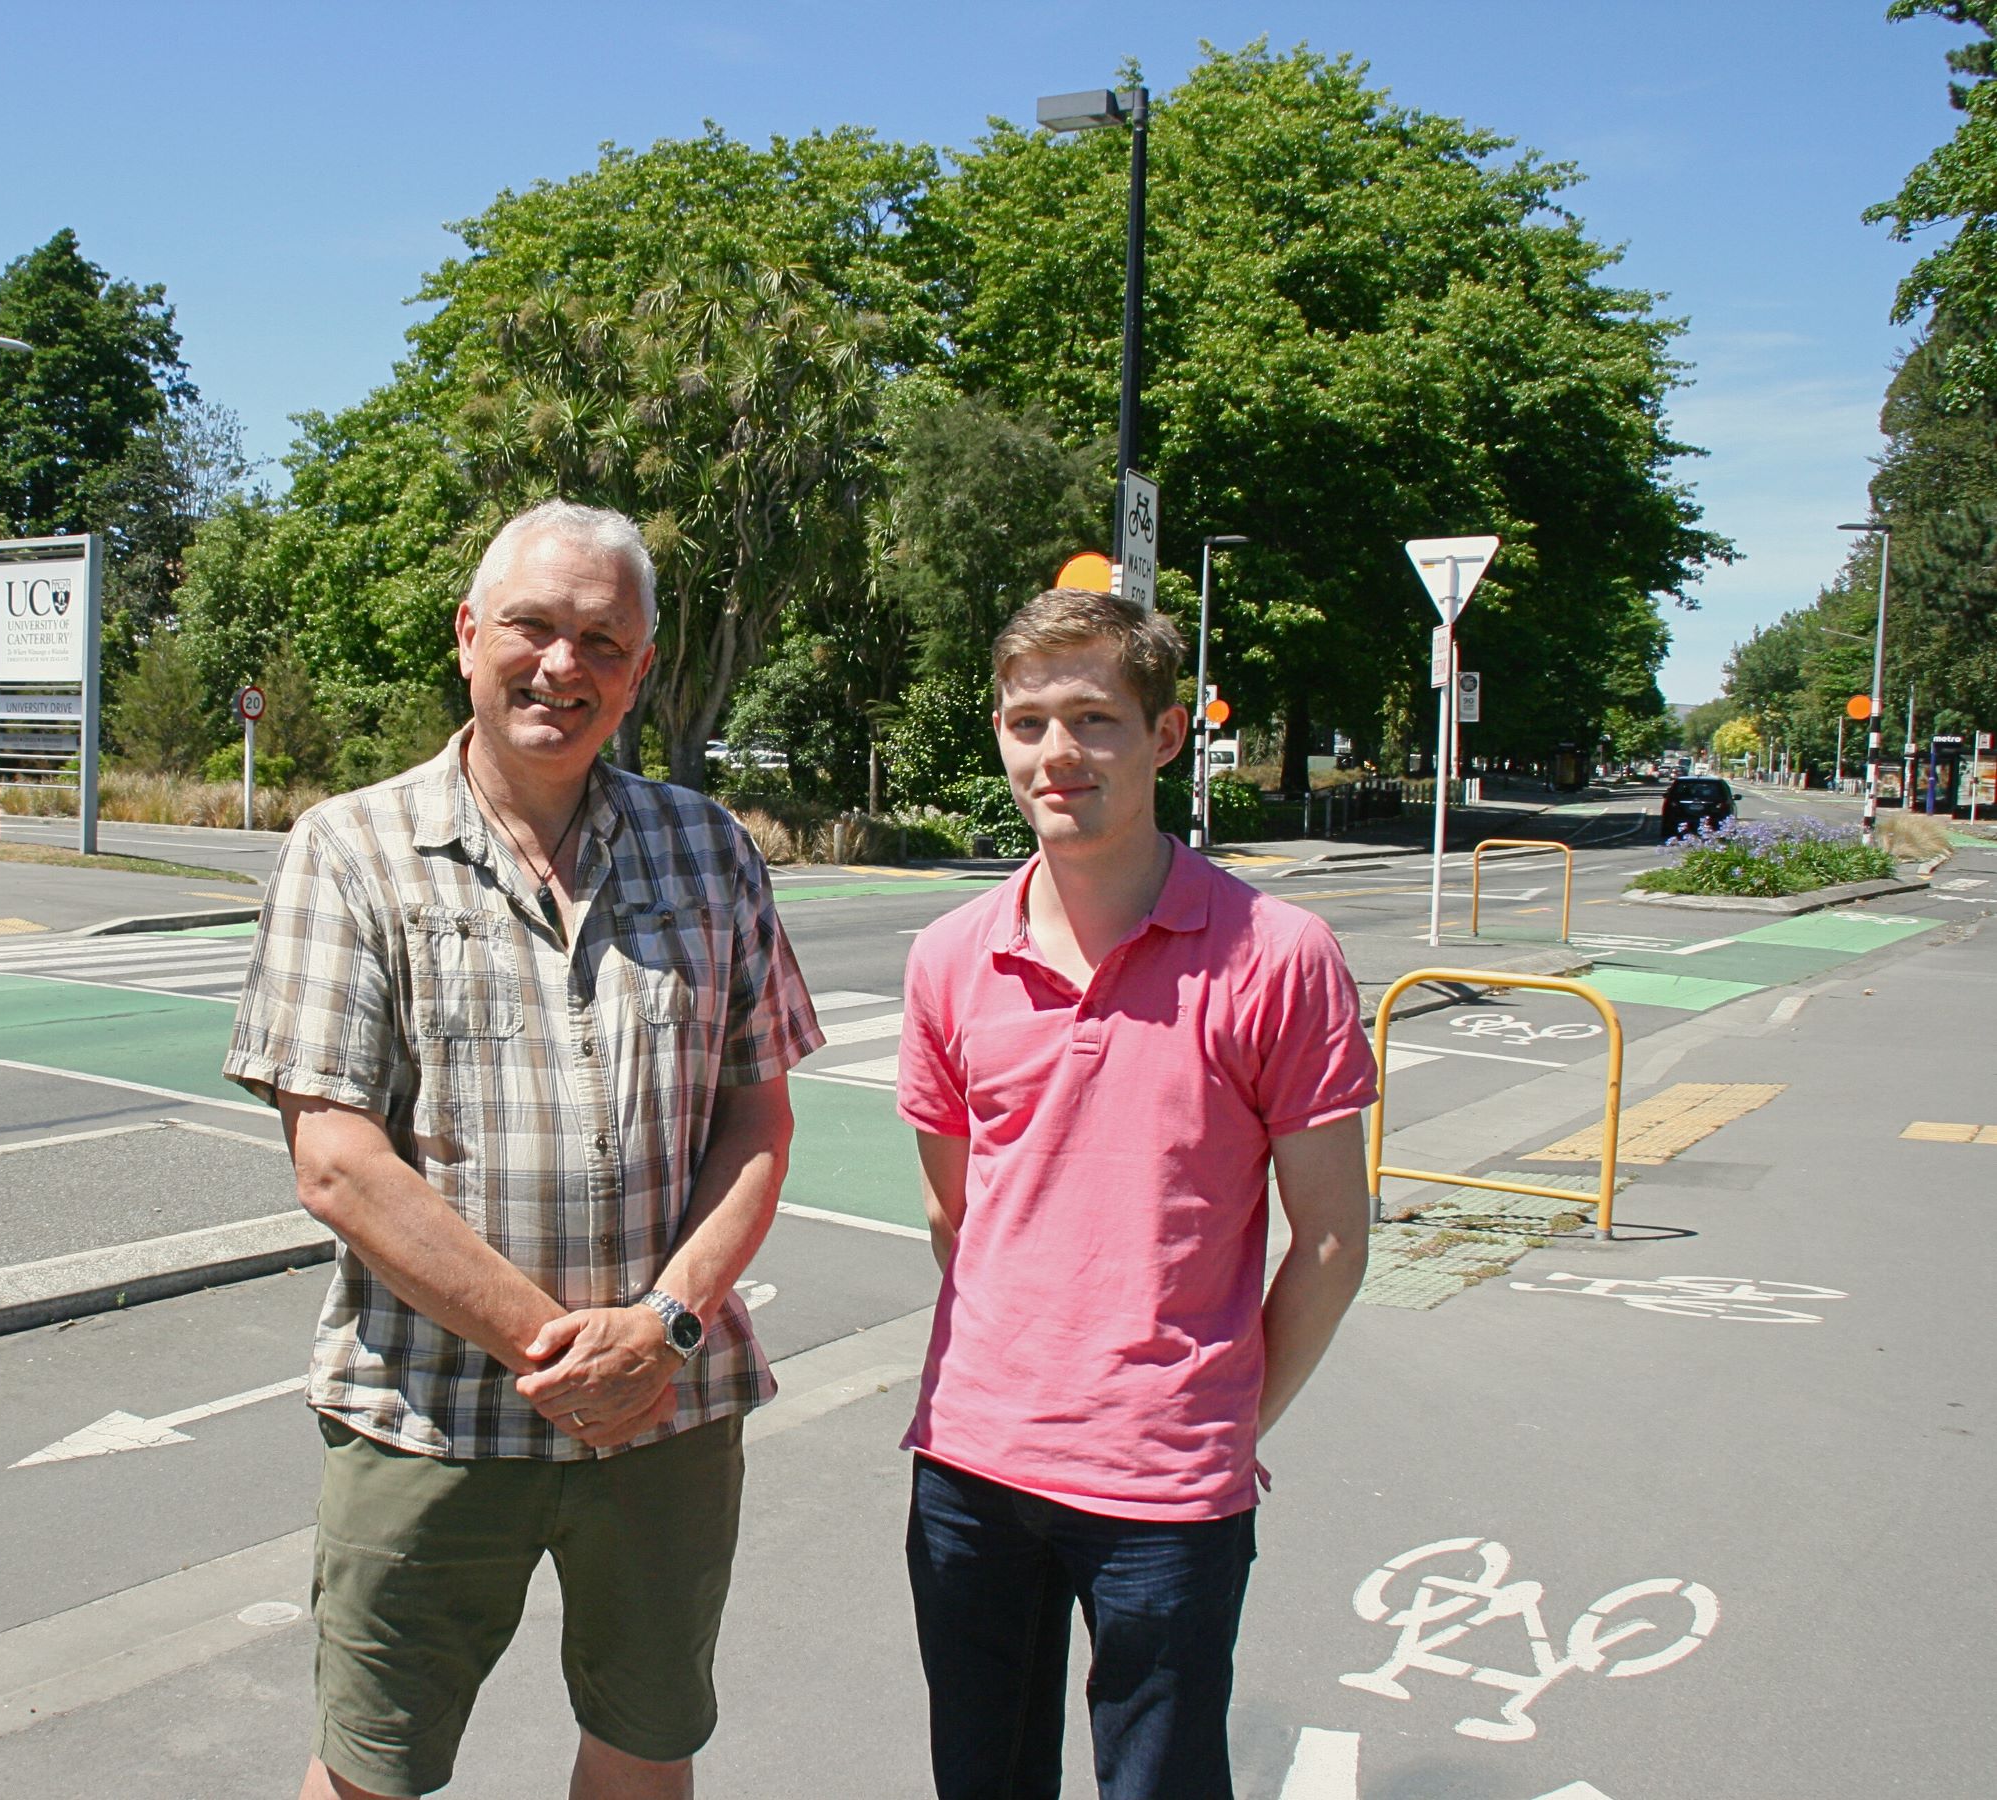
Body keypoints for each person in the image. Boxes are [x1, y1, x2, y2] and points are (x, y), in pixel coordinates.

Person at [225, 498, 823, 1800]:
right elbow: (335, 1156)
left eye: (603, 641)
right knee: (369, 1771)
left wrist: (659, 1330)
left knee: (643, 1751)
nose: (565, 665)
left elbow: (759, 1121)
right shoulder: (351, 849)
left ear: (642, 670)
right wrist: (566, 1359)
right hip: (426, 1417)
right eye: (534, 627)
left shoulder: (710, 851)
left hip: (669, 1417)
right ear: (467, 636)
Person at [894, 587, 1375, 1800]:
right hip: (970, 1463)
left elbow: (1330, 1240)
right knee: (982, 1778)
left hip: (1164, 1483)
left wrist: (1225, 1416)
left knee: (1161, 1782)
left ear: (1165, 737)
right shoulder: (951, 956)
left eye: (1096, 719)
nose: (1058, 754)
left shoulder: (1276, 953)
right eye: (1027, 722)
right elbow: (960, 1215)